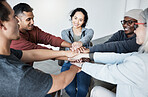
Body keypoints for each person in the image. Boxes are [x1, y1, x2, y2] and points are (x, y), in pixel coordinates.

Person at [0, 0, 80, 97]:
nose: (17, 21)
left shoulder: (8, 53)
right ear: (2, 25)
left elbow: (33, 53)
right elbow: (61, 82)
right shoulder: (18, 74)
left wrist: (70, 49)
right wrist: (75, 67)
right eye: (13, 17)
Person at [70, 8, 148, 97]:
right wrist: (89, 55)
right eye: (75, 18)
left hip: (121, 81)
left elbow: (110, 71)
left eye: (137, 26)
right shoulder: (141, 54)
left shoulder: (140, 61)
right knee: (93, 90)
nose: (135, 30)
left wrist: (83, 64)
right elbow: (116, 55)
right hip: (124, 86)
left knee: (87, 88)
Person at [10, 3, 74, 66]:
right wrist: (70, 56)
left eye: (32, 18)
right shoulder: (13, 37)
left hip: (27, 68)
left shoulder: (33, 29)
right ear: (17, 19)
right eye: (28, 19)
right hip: (13, 72)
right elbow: (37, 51)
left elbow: (49, 38)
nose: (32, 22)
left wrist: (72, 46)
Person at [61, 8, 94, 97]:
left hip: (84, 63)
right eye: (75, 18)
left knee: (83, 90)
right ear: (71, 18)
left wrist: (80, 43)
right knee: (69, 89)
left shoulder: (88, 31)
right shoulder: (65, 32)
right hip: (69, 62)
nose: (77, 22)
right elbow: (70, 45)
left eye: (80, 20)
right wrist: (76, 46)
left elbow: (88, 37)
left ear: (84, 21)